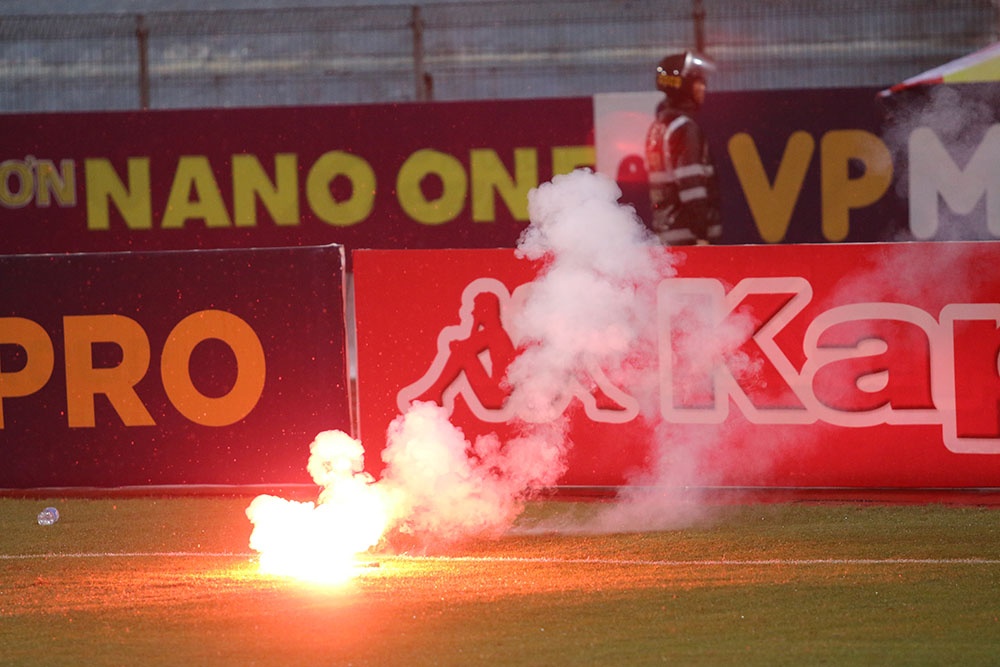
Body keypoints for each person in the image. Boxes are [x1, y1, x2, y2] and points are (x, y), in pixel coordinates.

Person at [645, 51, 722, 245]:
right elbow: (692, 187)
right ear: (684, 86)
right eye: (698, 83)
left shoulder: (659, 126)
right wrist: (702, 235)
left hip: (668, 235)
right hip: (690, 239)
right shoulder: (685, 129)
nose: (703, 89)